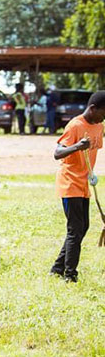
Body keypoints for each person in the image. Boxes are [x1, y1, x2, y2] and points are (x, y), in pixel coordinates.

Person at [50, 91, 105, 282]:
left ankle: (57, 268)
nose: (103, 118)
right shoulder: (75, 125)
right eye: (103, 113)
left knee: (83, 227)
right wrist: (77, 146)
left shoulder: (99, 126)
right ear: (93, 108)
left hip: (83, 183)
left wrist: (91, 175)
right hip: (70, 182)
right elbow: (57, 153)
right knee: (75, 229)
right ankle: (69, 275)